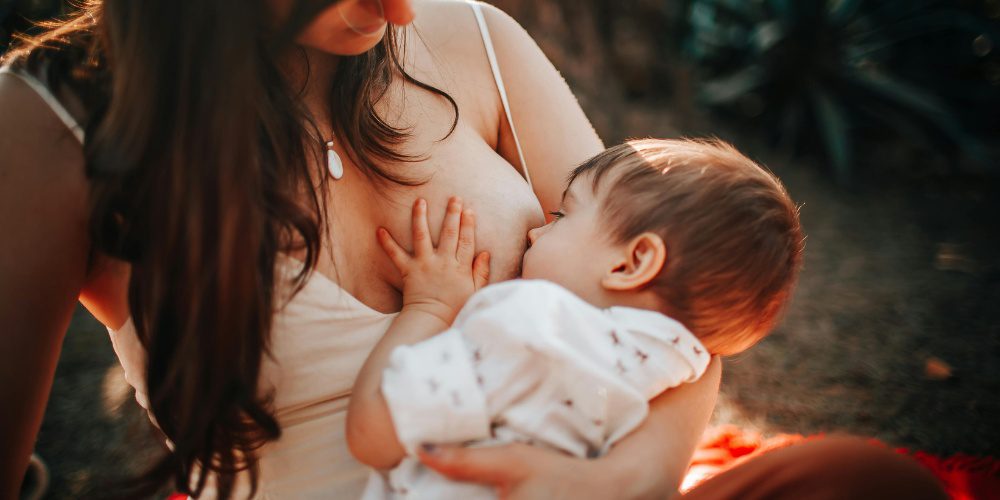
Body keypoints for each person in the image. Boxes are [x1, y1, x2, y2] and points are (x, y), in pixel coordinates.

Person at [0, 0, 948, 498]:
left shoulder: (479, 40)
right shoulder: (53, 126)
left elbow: (675, 316)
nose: (402, 10)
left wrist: (620, 482)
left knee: (866, 482)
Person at [348, 138, 804, 499]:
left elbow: (373, 433)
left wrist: (430, 307)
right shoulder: (677, 366)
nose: (535, 230)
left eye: (563, 214)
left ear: (632, 262)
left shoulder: (531, 327)